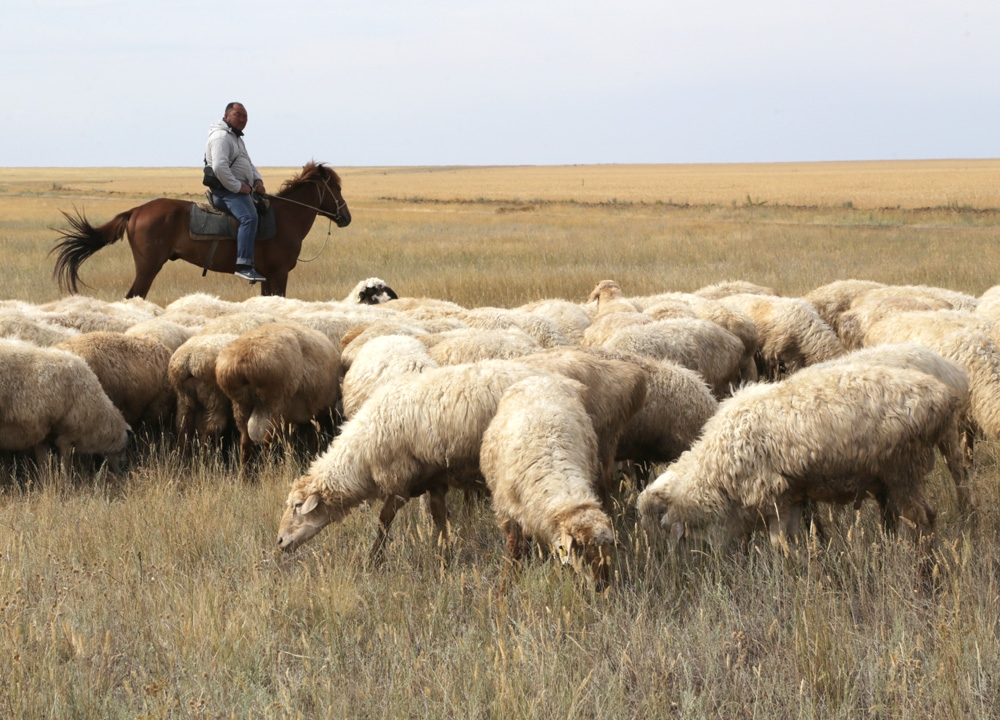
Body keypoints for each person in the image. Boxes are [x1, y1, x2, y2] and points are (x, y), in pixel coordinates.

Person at [205, 102, 267, 283]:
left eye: (245, 116)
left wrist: (257, 180)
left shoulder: (236, 138)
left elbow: (248, 162)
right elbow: (219, 167)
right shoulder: (221, 137)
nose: (242, 119)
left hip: (239, 189)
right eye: (238, 115)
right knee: (249, 217)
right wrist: (238, 187)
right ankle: (244, 265)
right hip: (226, 191)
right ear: (226, 116)